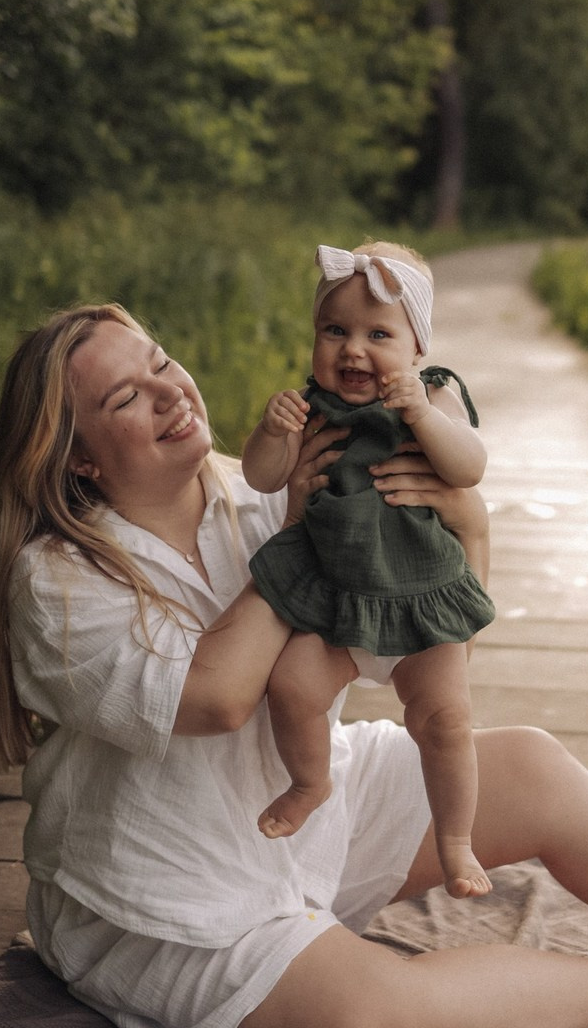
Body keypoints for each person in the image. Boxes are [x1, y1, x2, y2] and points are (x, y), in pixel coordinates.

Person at [0, 300, 588, 1028]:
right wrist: (309, 540)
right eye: (126, 398)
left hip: (299, 816)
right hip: (170, 896)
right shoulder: (58, 582)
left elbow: (417, 633)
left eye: (163, 362)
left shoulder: (244, 488)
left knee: (530, 766)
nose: (173, 391)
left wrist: (459, 519)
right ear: (81, 458)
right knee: (371, 1014)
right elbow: (221, 696)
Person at [241, 242, 494, 898]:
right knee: (292, 688)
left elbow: (467, 467)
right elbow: (261, 476)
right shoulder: (310, 409)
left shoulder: (433, 399)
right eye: (335, 331)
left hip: (418, 597)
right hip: (337, 601)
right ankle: (310, 781)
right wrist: (273, 435)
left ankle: (456, 840)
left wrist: (417, 414)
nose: (353, 350)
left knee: (447, 720)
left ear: (417, 350)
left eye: (378, 334)